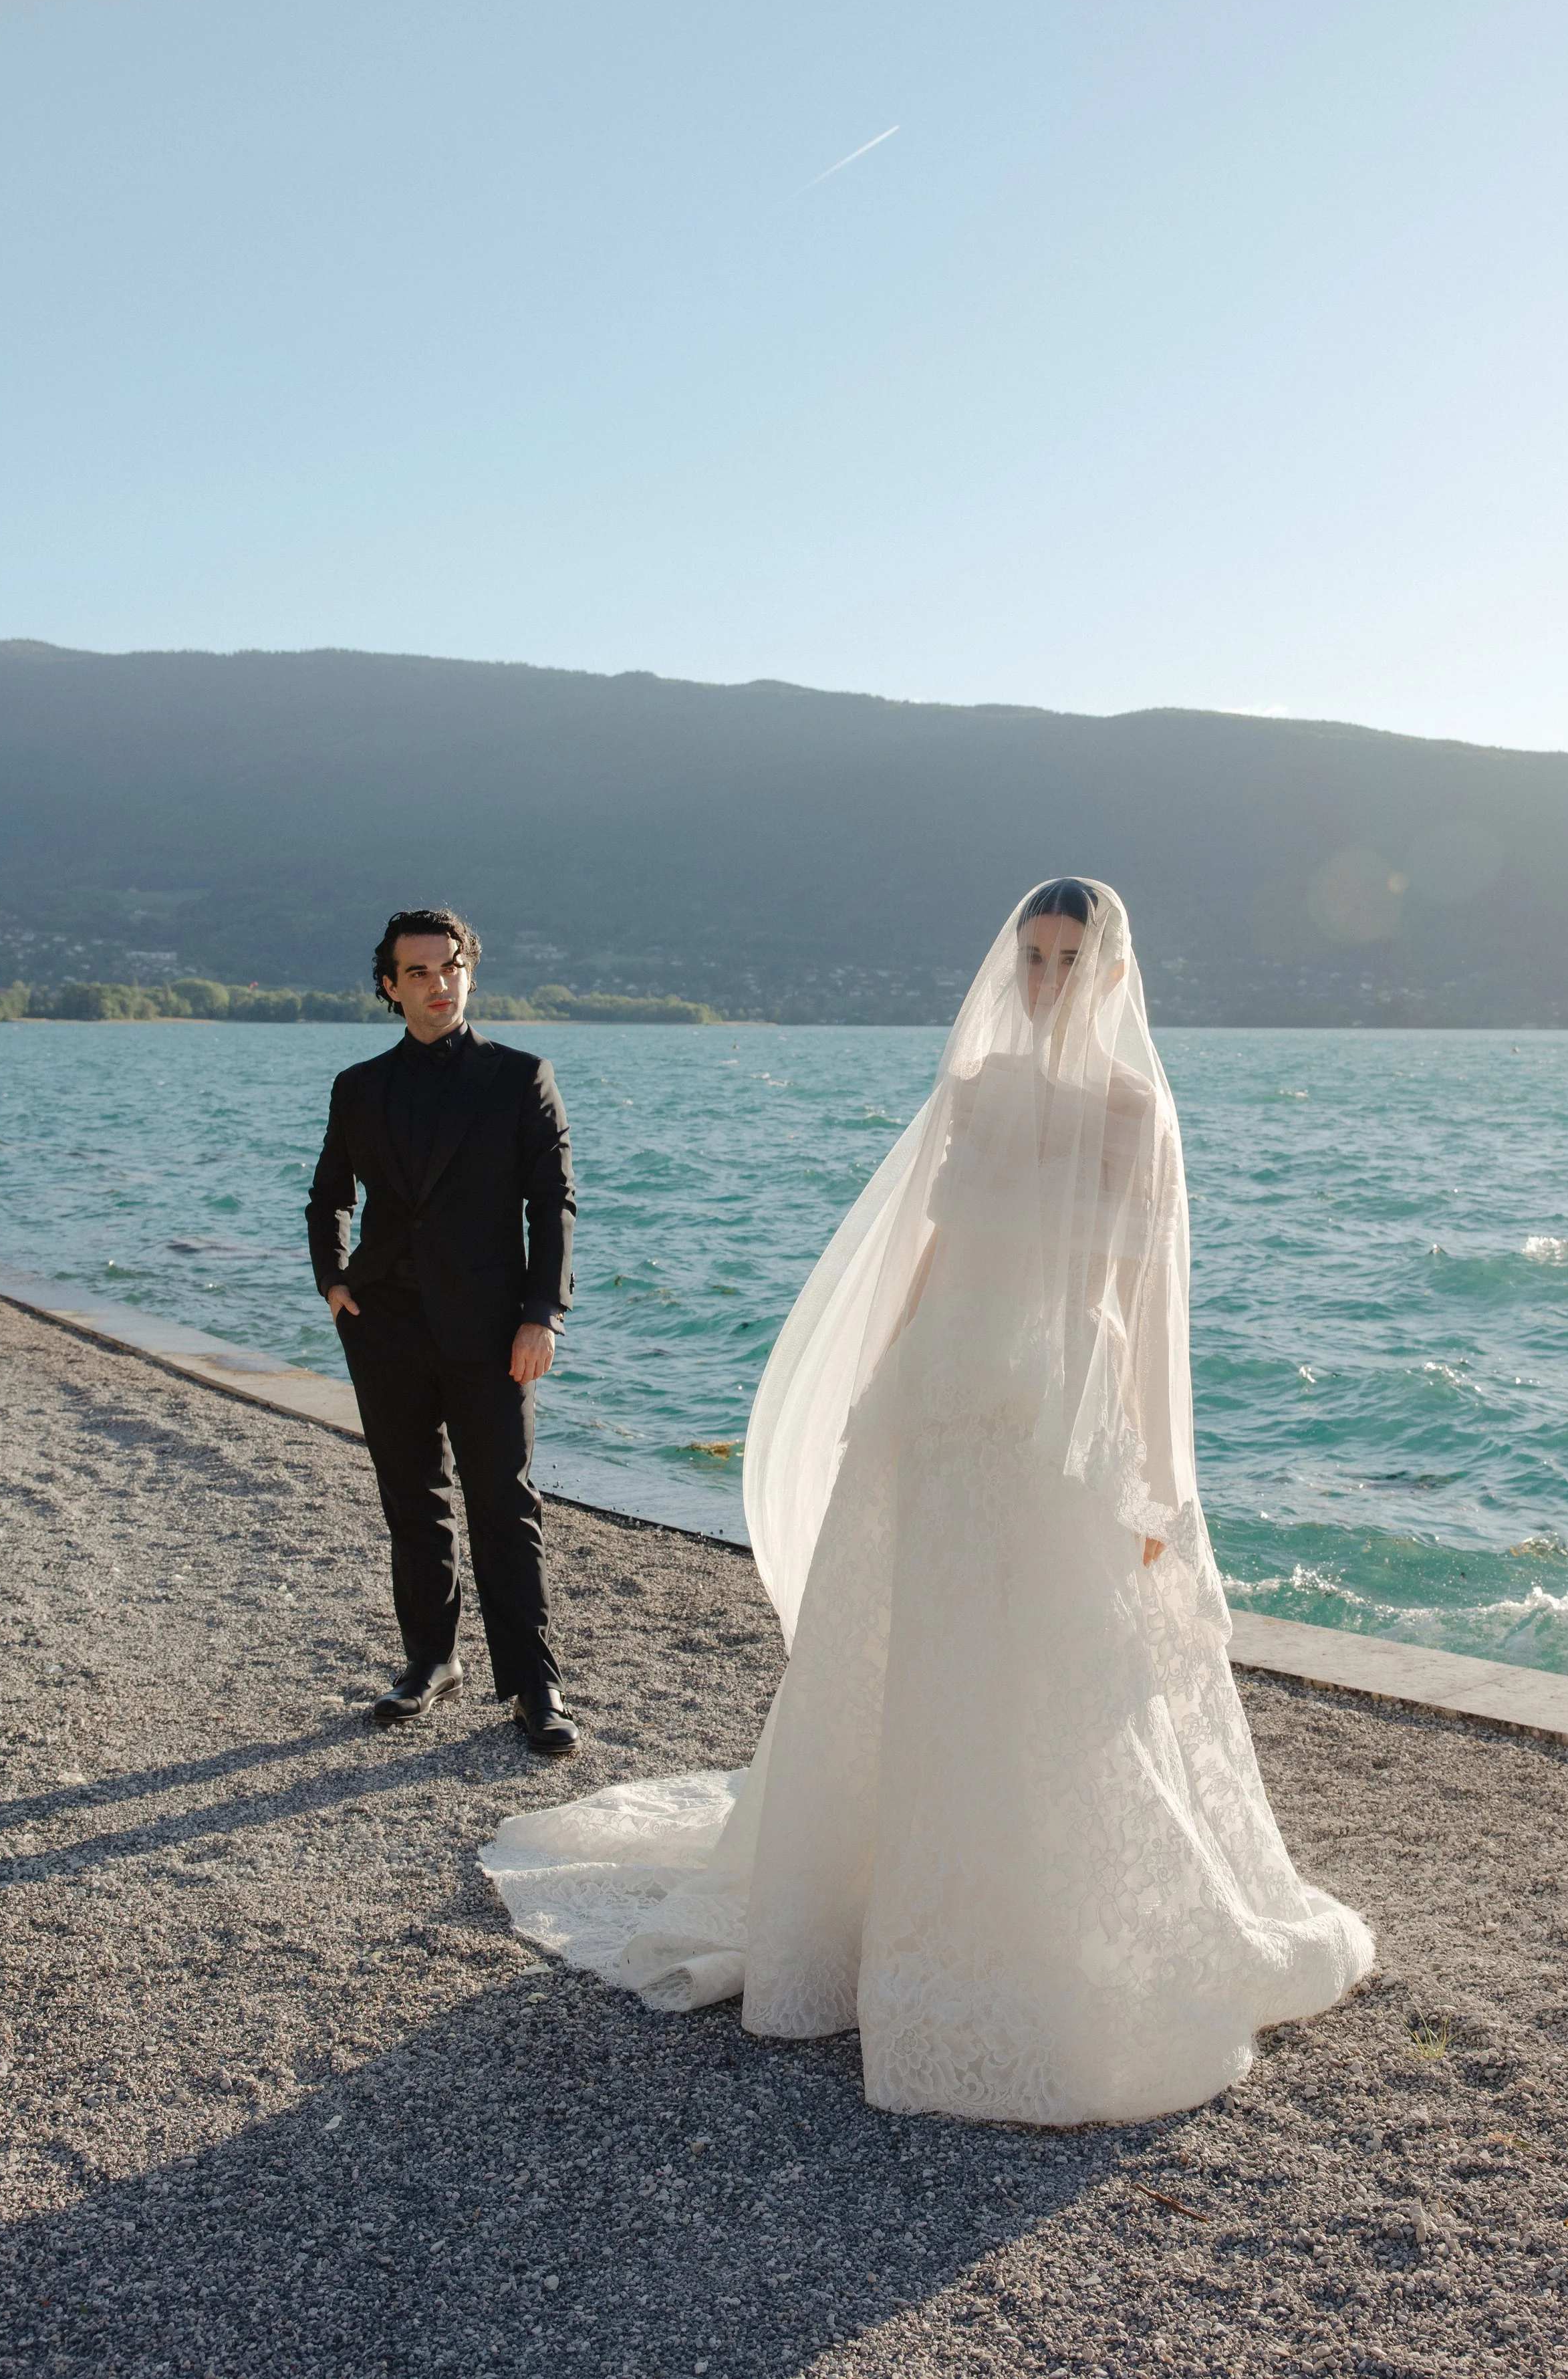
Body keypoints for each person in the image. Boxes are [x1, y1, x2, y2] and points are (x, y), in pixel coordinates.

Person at [481, 881, 1372, 2121]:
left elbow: (1141, 1316)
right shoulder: (979, 1091)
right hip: (941, 1399)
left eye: (1072, 959)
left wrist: (1154, 1474)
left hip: (1048, 1419)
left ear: (1113, 974)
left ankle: (1031, 1917)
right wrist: (878, 1391)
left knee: (1049, 1667)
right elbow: (938, 1254)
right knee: (912, 1650)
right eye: (1036, 956)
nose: (1049, 978)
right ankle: (866, 1911)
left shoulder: (1133, 1113)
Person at [306, 907, 579, 1751]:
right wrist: (334, 1280)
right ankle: (431, 1662)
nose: (437, 983)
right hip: (385, 1322)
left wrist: (542, 1314)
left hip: (494, 1328)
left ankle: (536, 1687)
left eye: (449, 966)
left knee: (504, 1500)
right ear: (390, 986)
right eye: (417, 972)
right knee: (412, 1500)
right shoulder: (359, 1086)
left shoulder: (520, 1075)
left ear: (470, 971)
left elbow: (553, 1204)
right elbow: (328, 1195)